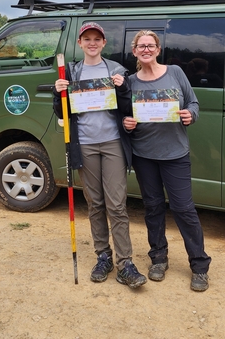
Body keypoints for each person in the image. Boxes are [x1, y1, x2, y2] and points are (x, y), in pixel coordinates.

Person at [53, 22, 146, 288]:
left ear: (104, 43)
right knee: (95, 203)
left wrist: (123, 88)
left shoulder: (116, 70)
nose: (92, 43)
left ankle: (125, 263)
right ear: (80, 43)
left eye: (97, 39)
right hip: (85, 144)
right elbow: (62, 112)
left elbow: (130, 107)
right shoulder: (71, 72)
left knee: (116, 204)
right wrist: (57, 92)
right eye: (87, 39)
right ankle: (102, 256)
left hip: (113, 143)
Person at [123, 30, 212, 292]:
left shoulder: (175, 72)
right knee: (152, 208)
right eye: (141, 46)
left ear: (158, 49)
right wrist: (126, 124)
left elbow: (194, 103)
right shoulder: (130, 82)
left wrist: (190, 115)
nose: (146, 49)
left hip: (175, 155)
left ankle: (199, 265)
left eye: (151, 45)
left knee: (184, 210)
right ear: (135, 51)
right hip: (144, 155)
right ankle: (158, 258)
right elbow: (124, 115)